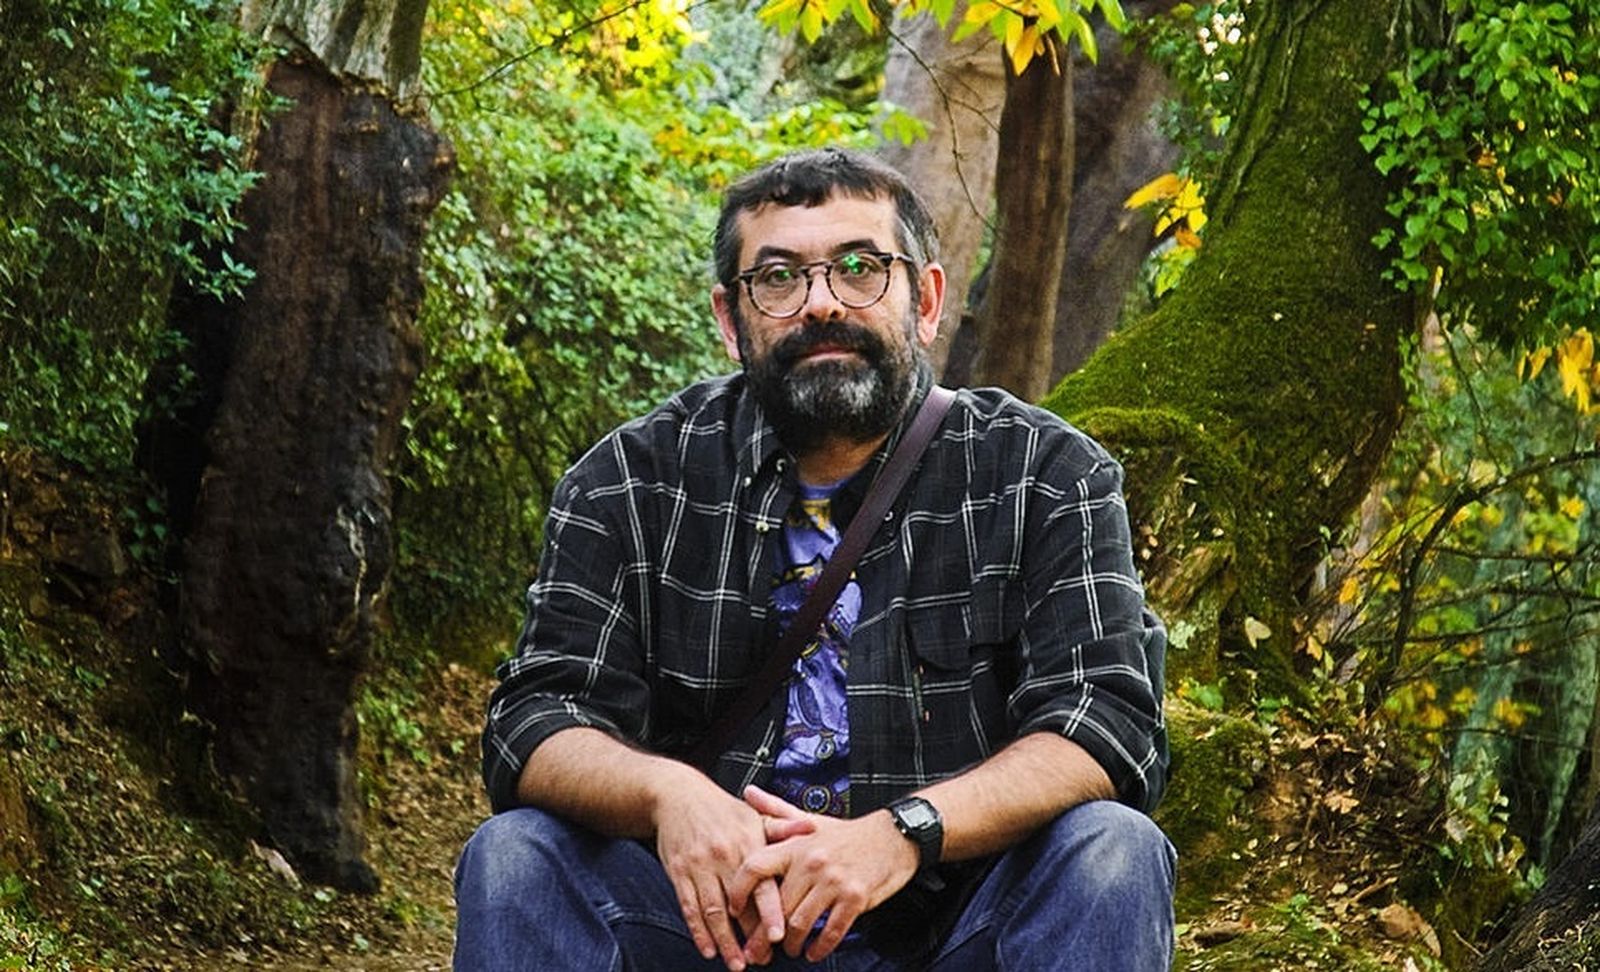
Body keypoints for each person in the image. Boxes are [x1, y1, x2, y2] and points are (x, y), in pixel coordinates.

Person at [454, 147, 1175, 971]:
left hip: (945, 931)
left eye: (861, 268)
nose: (822, 303)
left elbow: (1106, 723)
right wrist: (669, 796)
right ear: (732, 319)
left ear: (926, 299)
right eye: (780, 278)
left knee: (1112, 847)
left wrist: (903, 833)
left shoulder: (1044, 472)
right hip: (708, 931)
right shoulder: (629, 479)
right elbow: (534, 719)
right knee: (518, 854)